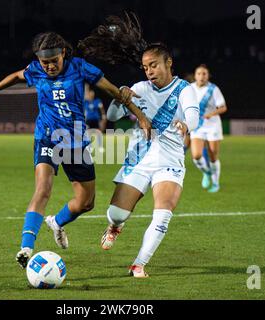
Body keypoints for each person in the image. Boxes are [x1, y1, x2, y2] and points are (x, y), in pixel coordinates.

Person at [0, 32, 152, 269]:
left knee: (86, 202)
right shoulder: (35, 70)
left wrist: (141, 116)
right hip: (47, 138)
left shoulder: (80, 68)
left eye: (54, 60)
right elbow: (15, 76)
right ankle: (26, 247)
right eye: (45, 62)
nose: (50, 66)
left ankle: (56, 222)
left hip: (75, 141)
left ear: (63, 53)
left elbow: (113, 90)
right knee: (43, 190)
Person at [80, 13, 199, 278]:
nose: (149, 71)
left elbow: (193, 113)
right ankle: (114, 227)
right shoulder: (140, 89)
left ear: (169, 63)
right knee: (116, 213)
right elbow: (112, 117)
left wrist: (186, 124)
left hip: (169, 162)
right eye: (146, 67)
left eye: (154, 65)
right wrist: (119, 97)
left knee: (163, 214)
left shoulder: (184, 89)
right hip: (138, 159)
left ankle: (138, 264)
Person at [190, 64, 227, 193]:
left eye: (204, 74)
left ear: (208, 76)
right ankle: (206, 172)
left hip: (212, 125)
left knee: (213, 155)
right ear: (195, 76)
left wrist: (211, 114)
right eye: (199, 73)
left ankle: (216, 183)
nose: (201, 76)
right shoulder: (190, 88)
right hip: (197, 126)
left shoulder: (213, 89)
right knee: (196, 155)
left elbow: (223, 107)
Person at [84, 84, 106, 152]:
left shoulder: (97, 101)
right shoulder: (86, 102)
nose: (91, 95)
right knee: (88, 133)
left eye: (92, 94)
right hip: (88, 120)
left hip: (96, 119)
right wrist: (86, 87)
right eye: (90, 94)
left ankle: (100, 146)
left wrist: (103, 116)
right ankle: (90, 146)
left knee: (99, 133)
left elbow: (101, 109)